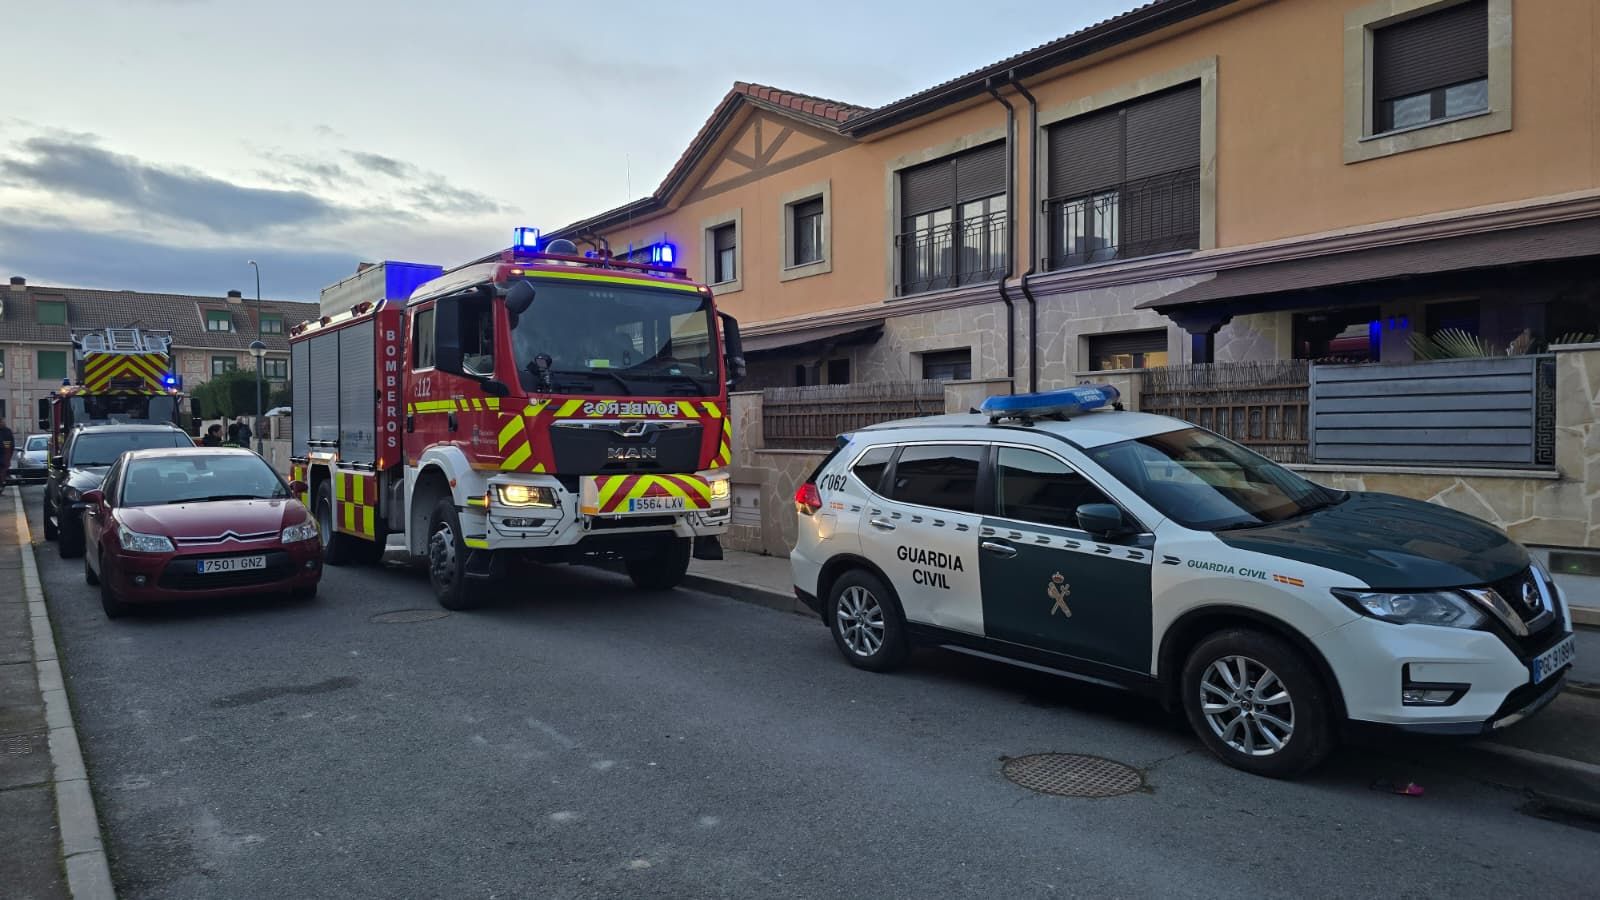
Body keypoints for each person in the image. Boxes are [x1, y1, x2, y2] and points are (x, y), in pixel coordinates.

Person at [0, 420, 13, 496]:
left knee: (3, 471)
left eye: (1, 422)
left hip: (4, 454)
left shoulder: (7, 431)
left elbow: (10, 444)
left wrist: (8, 455)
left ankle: (1, 486)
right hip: (4, 454)